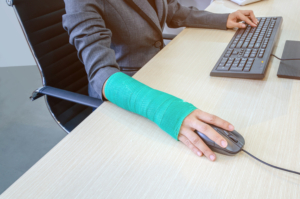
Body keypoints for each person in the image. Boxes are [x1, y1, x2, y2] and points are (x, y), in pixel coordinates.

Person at [63, 0, 258, 161]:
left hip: (160, 69)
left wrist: (223, 19)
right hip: (128, 91)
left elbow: (171, 10)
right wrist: (166, 110)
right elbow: (100, 74)